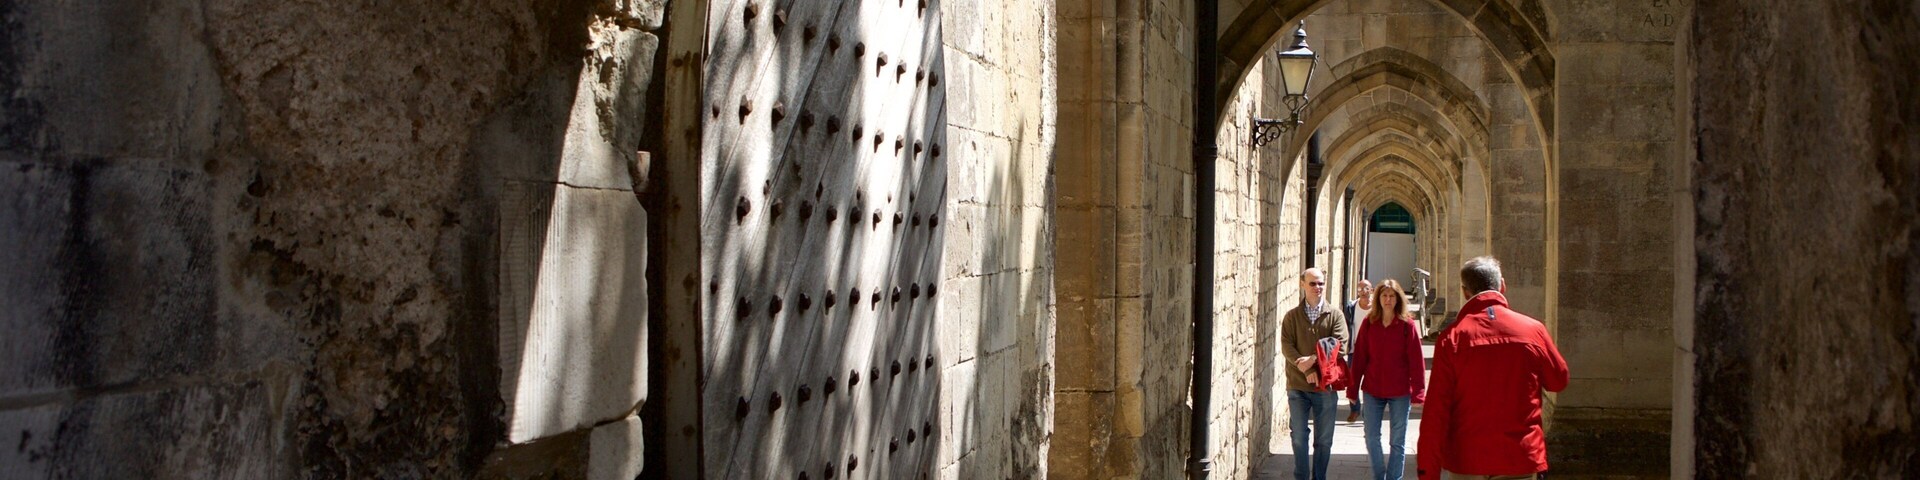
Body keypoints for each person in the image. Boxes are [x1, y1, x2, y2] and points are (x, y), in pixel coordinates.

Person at [1417, 257, 1569, 480]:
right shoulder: (1533, 330)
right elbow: (1559, 379)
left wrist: (1427, 472)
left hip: (1467, 460)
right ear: (1502, 285)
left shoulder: (1452, 338)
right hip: (1519, 456)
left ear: (1465, 292)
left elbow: (1436, 412)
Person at [1345, 279, 1425, 480]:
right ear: (1378, 298)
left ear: (1398, 299)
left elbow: (1416, 361)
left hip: (1400, 391)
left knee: (1397, 441)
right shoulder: (1369, 324)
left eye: (1392, 296)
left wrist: (1418, 392)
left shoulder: (1407, 326)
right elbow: (1360, 358)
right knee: (1371, 437)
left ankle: (1394, 478)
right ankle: (1380, 476)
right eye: (1384, 295)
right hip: (1373, 390)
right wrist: (1352, 391)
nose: (1388, 300)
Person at [1282, 268, 1349, 480]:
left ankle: (1319, 477)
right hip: (1298, 386)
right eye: (1312, 283)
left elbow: (1341, 345)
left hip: (1325, 388)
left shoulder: (1335, 315)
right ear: (1302, 285)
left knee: (1324, 440)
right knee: (1299, 437)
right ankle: (1301, 476)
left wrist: (1312, 361)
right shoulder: (1292, 316)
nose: (1317, 287)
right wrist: (1305, 367)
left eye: (1320, 283)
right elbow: (1287, 346)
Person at [1343, 279, 1374, 423]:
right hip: (1354, 350)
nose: (1363, 291)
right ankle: (1354, 410)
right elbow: (1346, 325)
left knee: (1370, 381)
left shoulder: (1376, 308)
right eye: (1360, 288)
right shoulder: (1351, 307)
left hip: (1372, 351)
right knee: (1352, 381)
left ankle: (1368, 412)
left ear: (1372, 290)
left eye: (1366, 288)